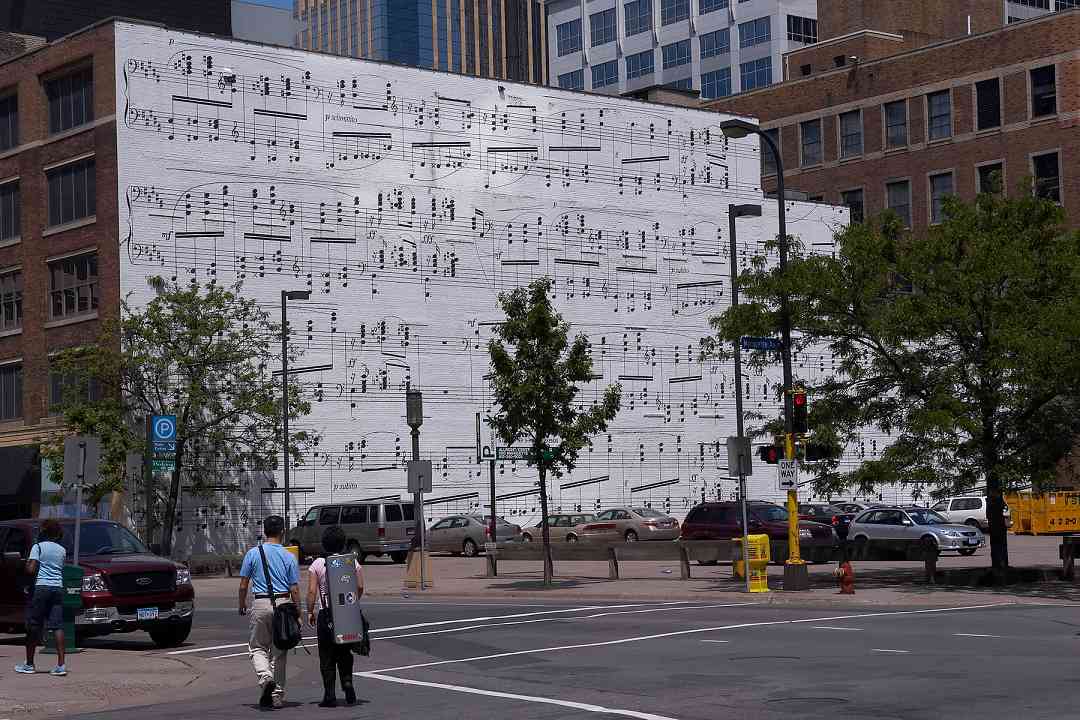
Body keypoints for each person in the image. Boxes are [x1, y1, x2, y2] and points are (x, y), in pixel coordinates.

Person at [238, 515, 301, 709]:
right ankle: (277, 696)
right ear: (282, 532)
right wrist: (298, 613)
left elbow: (243, 584)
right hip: (283, 604)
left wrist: (241, 603)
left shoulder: (253, 553)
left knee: (257, 647)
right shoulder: (288, 556)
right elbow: (294, 588)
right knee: (279, 651)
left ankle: (265, 679)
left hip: (261, 602)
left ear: (264, 532)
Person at [307, 525, 364, 708]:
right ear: (343, 543)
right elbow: (361, 586)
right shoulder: (351, 562)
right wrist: (353, 601)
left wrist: (310, 611)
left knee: (327, 656)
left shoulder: (317, 564)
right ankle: (348, 684)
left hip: (326, 614)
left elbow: (311, 591)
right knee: (344, 653)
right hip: (346, 611)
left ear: (324, 543)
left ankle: (329, 695)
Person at [15, 518, 68, 676]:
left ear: (43, 532)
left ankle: (29, 664)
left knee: (33, 626)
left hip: (41, 587)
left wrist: (26, 563)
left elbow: (31, 570)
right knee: (57, 626)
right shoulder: (61, 549)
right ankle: (60, 665)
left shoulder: (37, 547)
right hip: (57, 588)